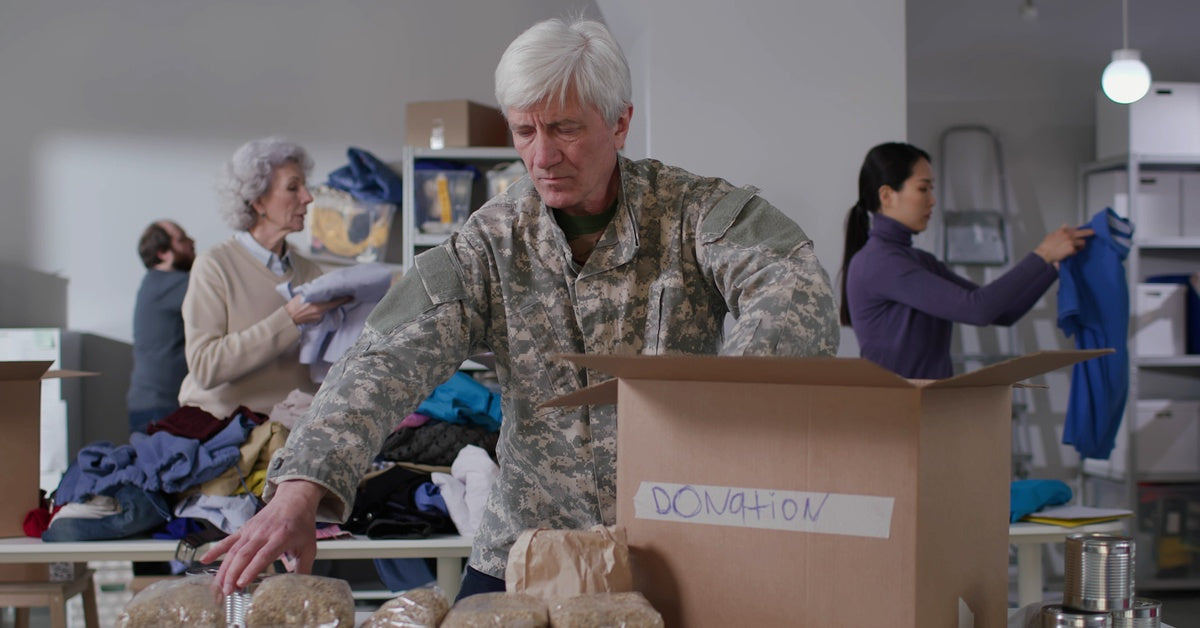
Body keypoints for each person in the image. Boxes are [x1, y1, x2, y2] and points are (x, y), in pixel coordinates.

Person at [203, 18, 840, 597]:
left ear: (618, 123)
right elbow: (385, 356)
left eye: (565, 128)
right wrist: (298, 488)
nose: (541, 155)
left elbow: (794, 292)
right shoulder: (490, 240)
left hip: (675, 539)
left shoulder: (693, 212)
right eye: (525, 130)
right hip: (529, 542)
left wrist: (725, 422)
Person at [839, 141, 1093, 379]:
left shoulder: (916, 260)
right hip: (897, 414)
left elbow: (1004, 312)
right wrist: (1043, 255)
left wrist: (1054, 266)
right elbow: (978, 309)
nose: (932, 200)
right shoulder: (880, 263)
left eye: (931, 189)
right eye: (922, 188)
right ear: (887, 196)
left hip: (927, 408)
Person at [177, 137, 349, 420]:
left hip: (288, 430)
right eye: (293, 188)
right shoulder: (214, 266)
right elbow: (205, 367)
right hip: (224, 431)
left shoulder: (309, 271)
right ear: (258, 201)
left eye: (304, 187)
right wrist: (289, 319)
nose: (308, 197)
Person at [127, 220, 196, 433]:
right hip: (162, 406)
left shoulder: (154, 283)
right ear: (163, 252)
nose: (192, 242)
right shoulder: (171, 283)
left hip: (151, 403)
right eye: (182, 240)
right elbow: (221, 293)